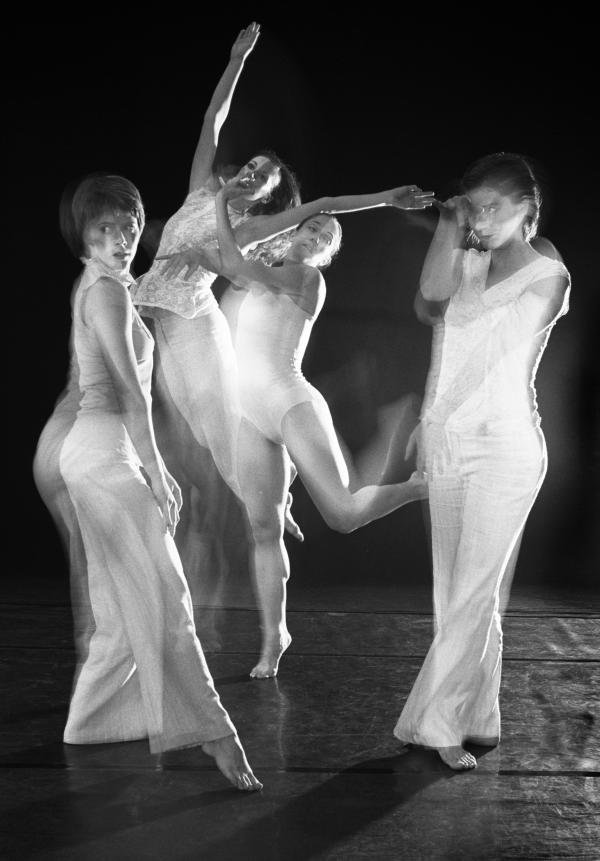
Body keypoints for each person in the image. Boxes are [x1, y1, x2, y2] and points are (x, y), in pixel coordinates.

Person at [131, 22, 433, 510]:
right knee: (142, 397)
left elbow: (329, 201)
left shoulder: (251, 230)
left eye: (264, 177)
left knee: (209, 436)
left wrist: (387, 200)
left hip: (189, 320)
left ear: (269, 196)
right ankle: (273, 483)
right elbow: (212, 119)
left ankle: (273, 492)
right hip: (149, 307)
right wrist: (236, 61)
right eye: (251, 166)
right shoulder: (198, 193)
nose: (252, 173)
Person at [34, 173, 262, 791]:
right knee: (168, 596)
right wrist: (158, 471)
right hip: (102, 457)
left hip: (102, 455)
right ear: (82, 236)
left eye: (130, 225)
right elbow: (131, 397)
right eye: (105, 229)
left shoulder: (113, 287)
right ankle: (216, 733)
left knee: (116, 609)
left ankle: (93, 722)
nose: (122, 238)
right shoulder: (105, 294)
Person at [199, 180, 429, 679]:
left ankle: (414, 488)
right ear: (294, 230)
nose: (316, 234)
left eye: (326, 235)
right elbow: (225, 263)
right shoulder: (268, 271)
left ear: (326, 255)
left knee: (343, 515)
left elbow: (231, 263)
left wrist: (217, 205)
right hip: (249, 411)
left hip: (289, 398)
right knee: (262, 529)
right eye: (311, 225)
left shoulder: (307, 281)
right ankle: (273, 637)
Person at [394, 152, 571, 770]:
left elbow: (489, 357)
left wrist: (433, 415)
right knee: (460, 593)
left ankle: (438, 725)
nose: (484, 217)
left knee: (472, 592)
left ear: (529, 206)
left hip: (508, 448)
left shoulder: (549, 275)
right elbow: (431, 299)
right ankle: (479, 715)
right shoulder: (467, 262)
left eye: (496, 205)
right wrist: (449, 226)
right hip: (449, 443)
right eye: (476, 205)